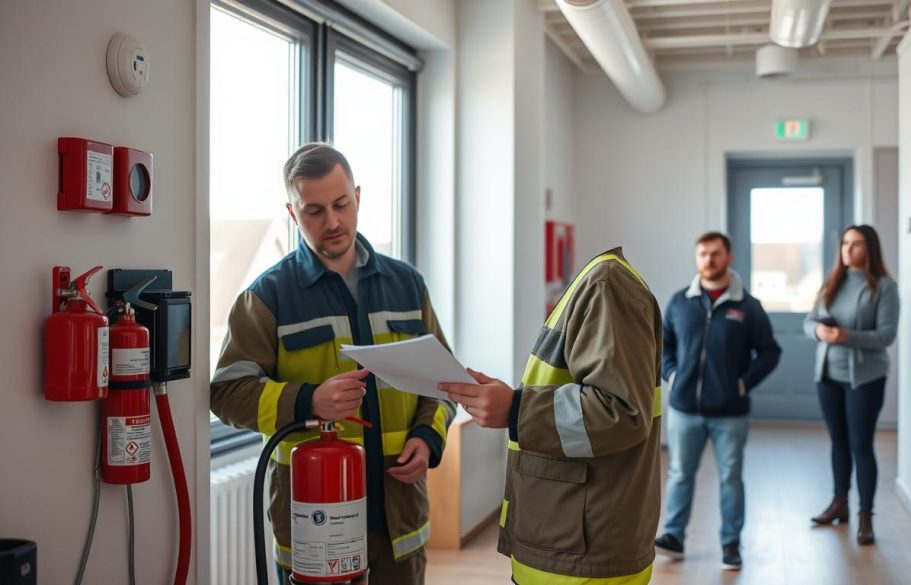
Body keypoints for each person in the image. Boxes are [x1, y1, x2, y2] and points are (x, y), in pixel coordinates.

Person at [210, 143, 455, 584]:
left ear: (358, 197)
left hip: (400, 521)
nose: (333, 222)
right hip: (315, 522)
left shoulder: (407, 285)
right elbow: (227, 393)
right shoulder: (267, 296)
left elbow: (443, 382)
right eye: (314, 211)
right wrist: (309, 401)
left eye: (341, 204)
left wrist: (427, 437)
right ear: (292, 212)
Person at [440, 247, 663, 585]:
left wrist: (515, 408)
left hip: (582, 554)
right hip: (570, 544)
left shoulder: (605, 285)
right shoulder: (597, 283)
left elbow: (620, 411)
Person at [655, 231, 781, 570]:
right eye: (702, 254)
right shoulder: (680, 301)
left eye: (715, 253)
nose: (708, 260)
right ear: (696, 259)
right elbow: (663, 346)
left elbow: (770, 352)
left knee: (730, 477)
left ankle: (730, 544)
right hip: (685, 409)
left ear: (729, 257)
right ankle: (674, 537)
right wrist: (672, 375)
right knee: (680, 473)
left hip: (730, 412)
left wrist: (743, 384)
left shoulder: (747, 307)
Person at [805, 225, 899, 545]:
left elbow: (886, 336)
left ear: (869, 249)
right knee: (838, 442)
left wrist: (846, 337)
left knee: (861, 445)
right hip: (828, 376)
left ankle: (865, 515)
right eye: (845, 243)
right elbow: (809, 323)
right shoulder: (832, 283)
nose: (848, 250)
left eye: (856, 244)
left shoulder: (885, 288)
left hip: (865, 380)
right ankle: (839, 503)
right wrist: (820, 333)